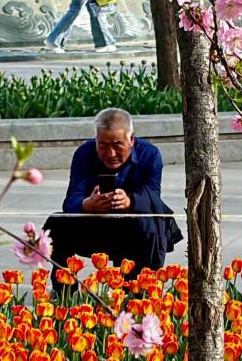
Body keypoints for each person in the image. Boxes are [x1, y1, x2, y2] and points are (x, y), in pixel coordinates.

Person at [43, 108, 183, 294]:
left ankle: (138, 292)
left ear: (131, 140)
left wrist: (129, 202)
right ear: (95, 140)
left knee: (154, 222)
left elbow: (152, 195)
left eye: (118, 145)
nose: (110, 153)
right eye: (103, 145)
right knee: (56, 223)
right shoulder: (84, 154)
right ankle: (63, 292)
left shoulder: (149, 155)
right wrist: (87, 204)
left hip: (133, 228)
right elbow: (71, 200)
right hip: (95, 225)